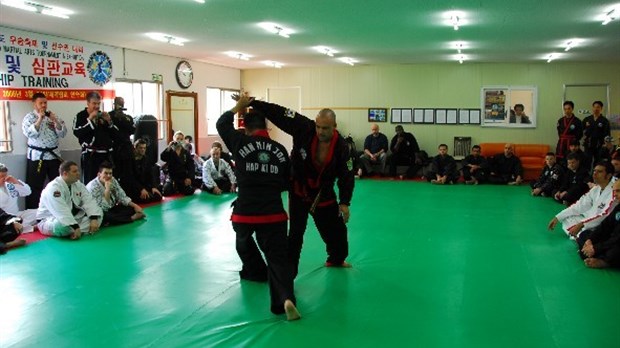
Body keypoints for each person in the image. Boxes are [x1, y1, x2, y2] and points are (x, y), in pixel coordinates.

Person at [248, 95, 355, 276]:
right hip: (299, 190)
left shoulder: (342, 147)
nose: (320, 131)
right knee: (295, 235)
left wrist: (345, 202)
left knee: (336, 231)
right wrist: (253, 103)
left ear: (335, 127)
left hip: (323, 193)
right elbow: (280, 113)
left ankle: (336, 259)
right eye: (318, 126)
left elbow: (347, 175)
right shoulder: (304, 128)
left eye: (325, 128)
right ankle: (288, 276)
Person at [216, 93, 300, 321]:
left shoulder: (239, 142)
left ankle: (254, 271)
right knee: (278, 259)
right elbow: (286, 181)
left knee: (243, 241)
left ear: (245, 128)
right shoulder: (280, 151)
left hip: (244, 213)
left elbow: (221, 124)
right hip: (273, 214)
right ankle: (285, 299)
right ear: (266, 127)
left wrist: (238, 107)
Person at [21, 92, 67, 209]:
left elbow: (63, 133)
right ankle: (33, 212)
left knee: (57, 184)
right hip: (37, 157)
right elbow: (29, 133)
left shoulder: (52, 116)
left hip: (53, 156)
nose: (43, 105)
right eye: (40, 103)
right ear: (34, 104)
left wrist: (55, 120)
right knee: (35, 186)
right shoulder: (29, 118)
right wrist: (40, 119)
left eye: (45, 103)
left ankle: (58, 209)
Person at [548, 161, 617, 238]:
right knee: (566, 219)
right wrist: (558, 217)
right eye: (594, 171)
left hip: (602, 225)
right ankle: (579, 236)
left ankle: (581, 237)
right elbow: (579, 205)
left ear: (608, 175)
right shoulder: (596, 189)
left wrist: (582, 224)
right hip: (589, 221)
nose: (594, 174)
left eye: (599, 172)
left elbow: (604, 215)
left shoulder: (615, 191)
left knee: (584, 232)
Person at [36, 161, 102, 239]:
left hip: (72, 218)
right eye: (74, 171)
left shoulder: (78, 184)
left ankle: (75, 230)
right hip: (50, 220)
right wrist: (74, 225)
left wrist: (93, 218)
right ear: (65, 173)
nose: (78, 173)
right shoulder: (54, 188)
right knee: (61, 225)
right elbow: (60, 210)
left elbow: (89, 200)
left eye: (78, 171)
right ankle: (76, 229)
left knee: (99, 214)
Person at [73, 91, 119, 183]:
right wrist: (90, 120)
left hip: (106, 155)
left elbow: (116, 135)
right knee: (90, 182)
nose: (97, 106)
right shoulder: (81, 116)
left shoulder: (103, 115)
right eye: (94, 103)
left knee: (107, 181)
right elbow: (77, 132)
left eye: (98, 103)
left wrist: (109, 121)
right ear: (88, 103)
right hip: (90, 155)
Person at [576, 180, 620, 269]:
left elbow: (618, 238)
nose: (615, 194)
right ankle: (593, 253)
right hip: (611, 240)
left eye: (618, 191)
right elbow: (605, 225)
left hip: (617, 242)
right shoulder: (619, 206)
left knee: (615, 251)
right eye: (614, 191)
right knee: (584, 235)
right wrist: (590, 240)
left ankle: (604, 261)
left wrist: (596, 248)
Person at [86, 162, 145, 226]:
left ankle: (115, 220)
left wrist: (135, 206)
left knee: (130, 209)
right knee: (106, 216)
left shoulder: (113, 180)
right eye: (105, 173)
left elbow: (122, 196)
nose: (108, 176)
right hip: (99, 211)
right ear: (99, 174)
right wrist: (107, 189)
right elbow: (104, 208)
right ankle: (132, 218)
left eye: (110, 173)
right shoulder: (93, 186)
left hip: (112, 208)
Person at [121, 139, 162, 203]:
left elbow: (150, 174)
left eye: (144, 148)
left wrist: (153, 187)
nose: (143, 150)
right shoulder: (129, 160)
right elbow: (130, 178)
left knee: (158, 196)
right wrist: (141, 189)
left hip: (144, 185)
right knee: (146, 198)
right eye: (140, 148)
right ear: (135, 148)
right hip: (133, 186)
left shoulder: (146, 159)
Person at [0, 163, 37, 233]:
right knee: (6, 225)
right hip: (4, 219)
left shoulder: (10, 184)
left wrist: (15, 182)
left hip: (17, 215)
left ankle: (17, 228)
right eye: (1, 176)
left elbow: (28, 192)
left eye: (5, 175)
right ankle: (23, 228)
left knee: (38, 212)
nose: (4, 179)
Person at [109, 96, 135, 185]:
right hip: (114, 148)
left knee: (128, 172)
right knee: (115, 172)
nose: (121, 106)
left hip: (127, 148)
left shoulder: (127, 117)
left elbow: (132, 130)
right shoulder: (109, 116)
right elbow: (110, 131)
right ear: (114, 104)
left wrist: (122, 119)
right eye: (119, 104)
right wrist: (116, 118)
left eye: (122, 104)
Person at [160, 132, 195, 196]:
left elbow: (191, 166)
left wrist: (189, 178)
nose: (179, 140)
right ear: (174, 139)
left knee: (190, 191)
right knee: (166, 191)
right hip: (172, 177)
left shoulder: (185, 152)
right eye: (177, 138)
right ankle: (174, 187)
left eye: (181, 139)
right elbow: (163, 157)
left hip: (182, 177)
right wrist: (169, 147)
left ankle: (177, 188)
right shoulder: (170, 151)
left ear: (183, 140)